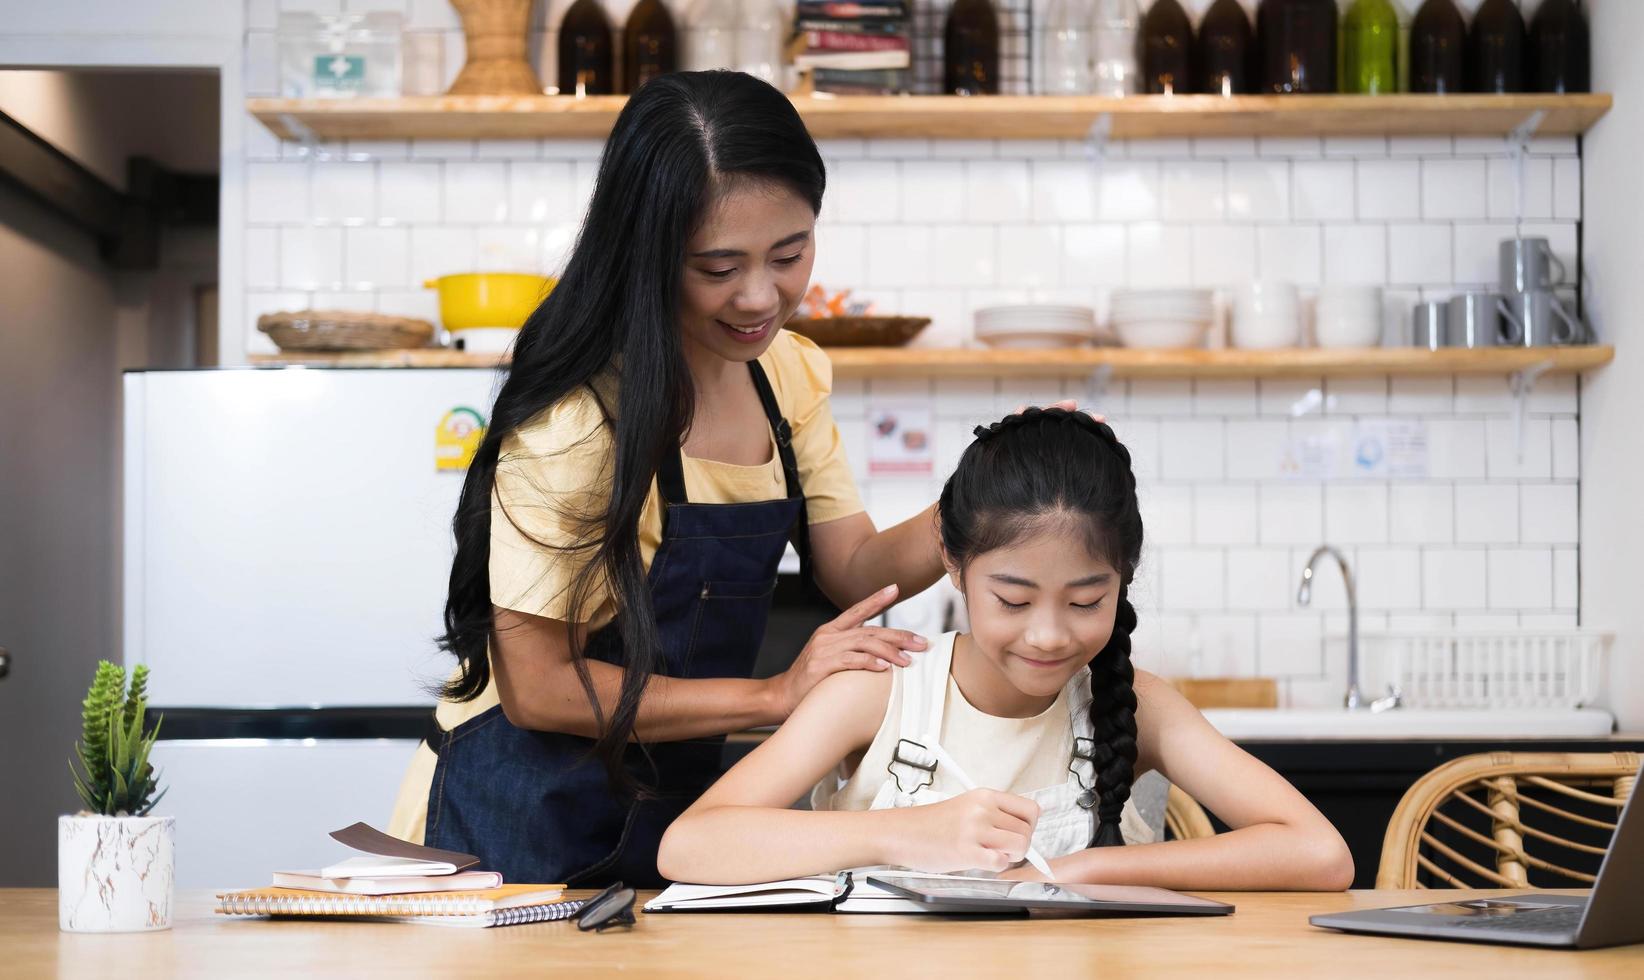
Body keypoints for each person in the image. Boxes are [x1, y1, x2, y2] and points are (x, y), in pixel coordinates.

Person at [386, 71, 965, 888]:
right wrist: (771, 697)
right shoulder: (579, 419)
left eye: (790, 254)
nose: (761, 296)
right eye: (718, 266)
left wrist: (978, 508)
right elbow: (538, 688)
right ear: (647, 252)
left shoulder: (787, 374)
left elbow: (854, 570)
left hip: (675, 809)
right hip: (511, 808)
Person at [658, 408, 1356, 890]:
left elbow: (1321, 853)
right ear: (954, 565)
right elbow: (690, 845)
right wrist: (907, 835)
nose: (1049, 635)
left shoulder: (1144, 706)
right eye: (1013, 601)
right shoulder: (882, 686)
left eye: (1087, 602)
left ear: (1125, 579)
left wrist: (1085, 871)